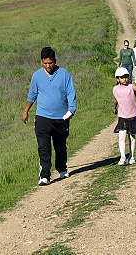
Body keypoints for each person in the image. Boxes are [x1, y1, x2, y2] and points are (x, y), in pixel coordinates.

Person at [22, 47, 77, 186]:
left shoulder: (64, 74)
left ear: (55, 61)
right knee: (43, 147)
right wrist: (26, 110)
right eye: (45, 63)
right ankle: (45, 175)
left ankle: (62, 169)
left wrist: (71, 109)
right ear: (41, 62)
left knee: (60, 146)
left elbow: (71, 93)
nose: (48, 66)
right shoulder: (36, 76)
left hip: (61, 117)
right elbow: (32, 94)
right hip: (42, 117)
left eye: (51, 63)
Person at [112, 67, 136, 165]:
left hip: (133, 115)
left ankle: (132, 156)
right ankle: (123, 157)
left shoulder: (131, 86)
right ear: (117, 79)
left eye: (126, 77)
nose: (124, 79)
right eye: (122, 77)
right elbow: (116, 99)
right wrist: (114, 107)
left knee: (132, 137)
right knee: (121, 136)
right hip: (122, 116)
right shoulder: (115, 89)